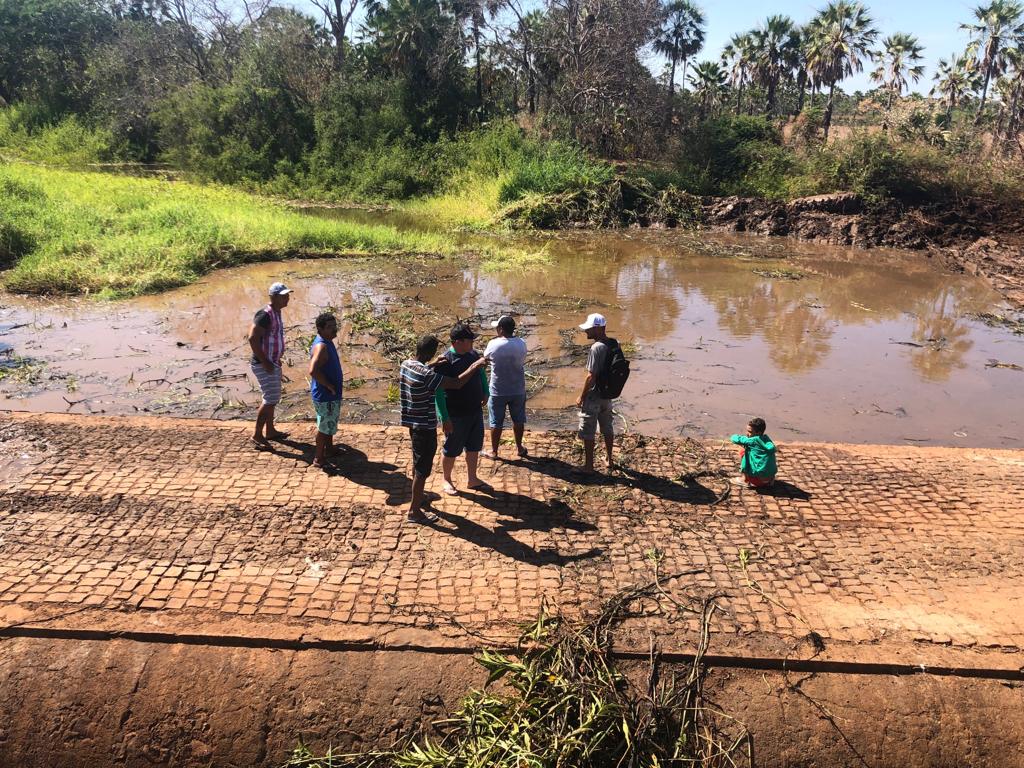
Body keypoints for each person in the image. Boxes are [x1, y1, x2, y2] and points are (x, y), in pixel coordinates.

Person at [400, 334, 488, 523]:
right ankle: (414, 511)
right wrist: (474, 366)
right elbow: (456, 383)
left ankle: (420, 498)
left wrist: (432, 364)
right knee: (423, 469)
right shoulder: (427, 375)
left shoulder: (407, 364)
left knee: (418, 463)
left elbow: (423, 371)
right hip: (425, 426)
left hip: (413, 423)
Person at [434, 322, 490, 495]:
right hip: (455, 414)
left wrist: (485, 391)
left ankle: (472, 478)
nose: (472, 343)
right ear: (457, 342)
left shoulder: (472, 354)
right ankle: (446, 479)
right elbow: (438, 391)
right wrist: (444, 417)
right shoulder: (445, 361)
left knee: (474, 447)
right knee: (451, 448)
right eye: (469, 340)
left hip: (474, 410)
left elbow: (480, 372)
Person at [248, 282, 290, 450]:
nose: (288, 298)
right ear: (273, 297)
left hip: (271, 362)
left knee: (272, 399)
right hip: (263, 363)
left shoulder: (276, 312)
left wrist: (275, 359)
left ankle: (270, 431)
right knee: (269, 399)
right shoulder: (265, 314)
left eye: (287, 295)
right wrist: (265, 361)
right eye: (284, 296)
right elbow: (252, 338)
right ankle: (257, 435)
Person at [483, 314, 529, 460]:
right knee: (518, 419)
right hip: (517, 389)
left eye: (497, 327)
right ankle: (520, 447)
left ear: (501, 329)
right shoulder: (521, 343)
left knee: (496, 421)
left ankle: (494, 451)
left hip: (498, 390)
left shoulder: (494, 344)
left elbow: (485, 359)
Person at [576, 312, 615, 473]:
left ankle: (588, 466)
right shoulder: (614, 343)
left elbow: (591, 376)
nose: (586, 331)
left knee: (588, 430)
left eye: (589, 329)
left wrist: (582, 396)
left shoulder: (596, 348)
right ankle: (609, 459)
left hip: (594, 395)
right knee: (607, 427)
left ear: (599, 329)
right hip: (608, 394)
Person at [308, 312, 344, 470]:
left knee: (329, 423)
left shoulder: (327, 341)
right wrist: (328, 385)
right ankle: (318, 457)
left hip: (330, 394)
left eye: (334, 326)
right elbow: (312, 370)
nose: (334, 329)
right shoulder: (322, 346)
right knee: (324, 427)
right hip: (325, 395)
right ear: (320, 329)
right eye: (329, 327)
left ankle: (329, 449)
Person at [730, 417, 777, 489]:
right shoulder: (767, 439)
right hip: (769, 478)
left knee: (743, 450)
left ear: (759, 433)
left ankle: (745, 480)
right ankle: (769, 481)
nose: (747, 434)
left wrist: (736, 437)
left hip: (758, 481)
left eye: (750, 432)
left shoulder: (752, 441)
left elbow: (734, 438)